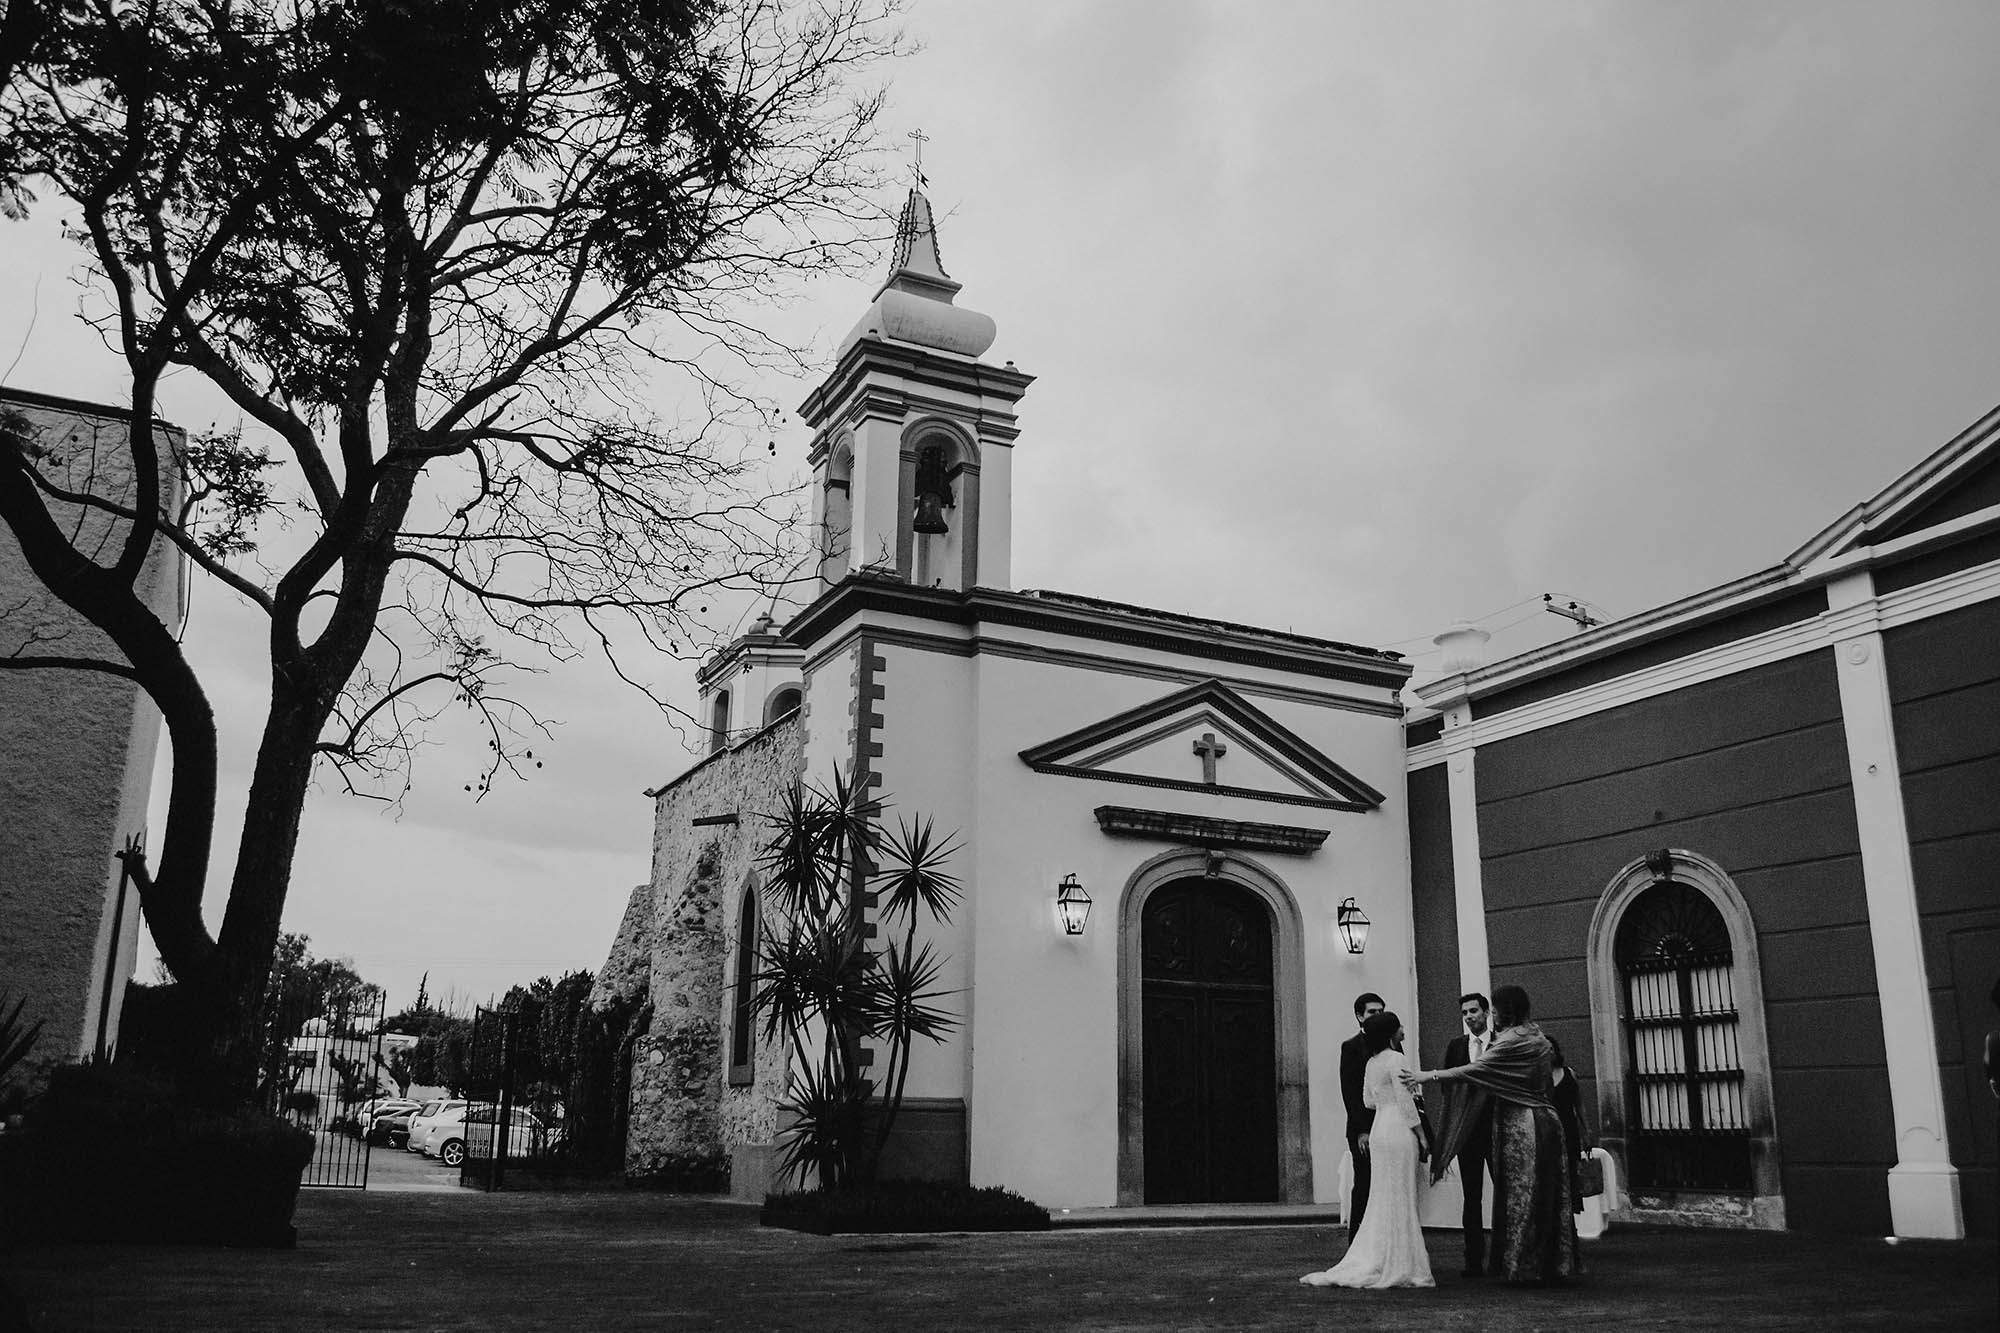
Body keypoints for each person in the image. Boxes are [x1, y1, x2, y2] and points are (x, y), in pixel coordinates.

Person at [1408, 984, 1579, 1285]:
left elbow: (1471, 1071)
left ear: (1500, 1011)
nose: (1490, 1015)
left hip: (1521, 1124)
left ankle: (1524, 1264)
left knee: (1519, 1196)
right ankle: (1553, 1261)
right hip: (1547, 1122)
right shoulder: (1538, 1037)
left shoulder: (1508, 1041)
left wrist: (1427, 1076)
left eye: (1493, 1009)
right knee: (1547, 1193)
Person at [1302, 1011, 1435, 1289]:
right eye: (1399, 1027)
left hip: (1379, 1129)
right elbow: (1406, 1103)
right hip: (1398, 1128)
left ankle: (1380, 1255)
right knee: (1402, 1194)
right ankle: (1401, 1261)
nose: (1403, 1030)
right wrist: (1421, 1134)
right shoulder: (1396, 1059)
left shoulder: (1372, 1062)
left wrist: (1387, 1102)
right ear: (1390, 1033)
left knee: (1382, 1194)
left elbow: (1368, 1100)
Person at [1439, 992, 1495, 1275]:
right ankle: (1473, 1260)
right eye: (1465, 1013)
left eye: (1474, 1011)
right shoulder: (1456, 1046)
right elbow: (1447, 1086)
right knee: (1471, 1196)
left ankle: (1501, 1257)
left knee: (1504, 1193)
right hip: (1468, 1134)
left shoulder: (1499, 1043)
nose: (1469, 1016)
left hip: (1497, 1129)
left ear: (1486, 1013)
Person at [1340, 992, 1386, 1235]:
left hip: (1387, 1125)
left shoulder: (1391, 1044)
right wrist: (1361, 1131)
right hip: (1364, 1128)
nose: (1377, 1016)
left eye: (1380, 1012)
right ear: (1359, 1016)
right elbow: (1350, 1094)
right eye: (1371, 1012)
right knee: (1364, 1185)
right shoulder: (1351, 1047)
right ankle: (1356, 1241)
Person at [1548, 1039, 1587, 1214]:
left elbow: (1579, 1105)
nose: (1548, 1053)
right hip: (1549, 1133)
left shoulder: (1569, 1073)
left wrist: (1586, 1131)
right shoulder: (1539, 1077)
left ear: (1557, 1051)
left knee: (1570, 1174)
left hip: (1569, 1130)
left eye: (1551, 1049)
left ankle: (1570, 1219)